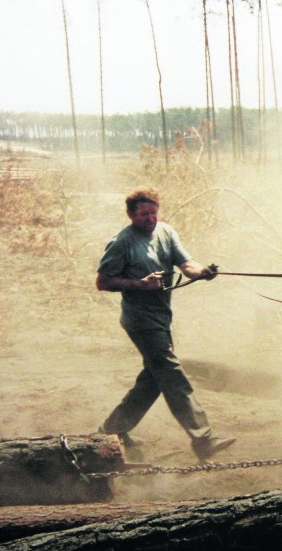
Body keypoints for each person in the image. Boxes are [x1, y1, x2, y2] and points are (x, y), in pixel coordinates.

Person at [96, 187, 235, 460]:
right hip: (139, 319)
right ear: (131, 215)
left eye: (153, 212)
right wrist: (141, 285)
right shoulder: (122, 242)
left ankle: (111, 432)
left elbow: (186, 264)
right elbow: (103, 282)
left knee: (153, 380)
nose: (150, 218)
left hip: (161, 317)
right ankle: (203, 439)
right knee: (171, 373)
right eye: (144, 214)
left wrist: (203, 272)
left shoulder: (166, 232)